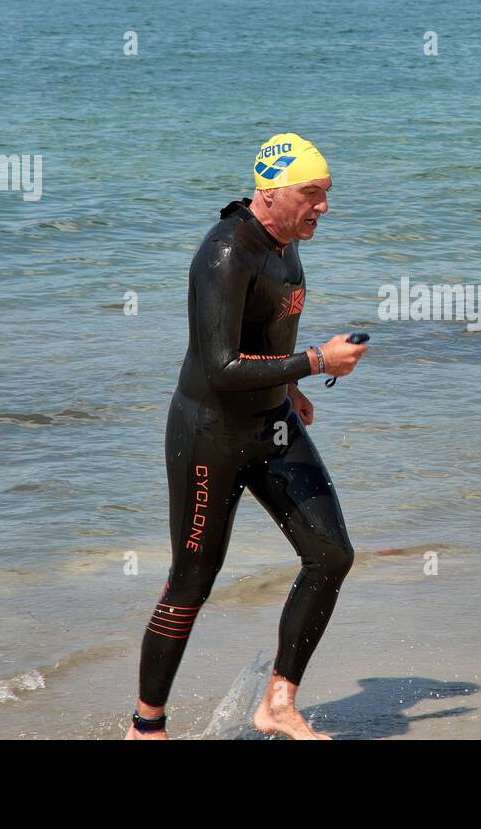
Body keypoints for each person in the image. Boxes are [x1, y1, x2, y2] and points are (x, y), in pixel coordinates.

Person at [126, 133, 368, 740]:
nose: (323, 207)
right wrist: (314, 362)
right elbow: (219, 367)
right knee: (192, 580)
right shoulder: (225, 253)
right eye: (311, 194)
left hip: (271, 424)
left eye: (326, 195)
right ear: (269, 194)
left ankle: (278, 704)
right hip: (209, 436)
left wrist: (290, 388)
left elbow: (264, 334)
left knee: (331, 554)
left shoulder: (286, 245)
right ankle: (145, 727)